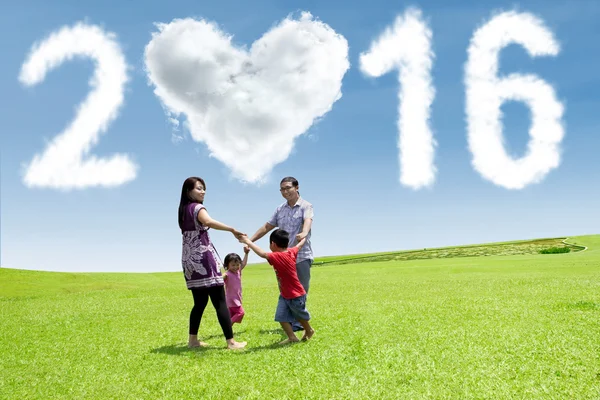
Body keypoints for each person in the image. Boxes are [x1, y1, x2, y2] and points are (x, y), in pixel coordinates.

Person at [178, 176, 247, 350]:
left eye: (204, 188)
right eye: (199, 188)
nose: (203, 191)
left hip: (189, 260)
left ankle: (192, 340)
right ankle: (231, 342)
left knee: (200, 302)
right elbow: (208, 222)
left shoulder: (183, 210)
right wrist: (232, 229)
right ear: (188, 191)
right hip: (204, 259)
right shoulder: (197, 208)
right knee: (220, 301)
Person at [247, 177, 314, 331]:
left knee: (300, 290)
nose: (285, 192)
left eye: (288, 188)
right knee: (286, 290)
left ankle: (299, 323)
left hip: (301, 255)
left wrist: (303, 232)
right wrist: (250, 240)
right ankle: (291, 322)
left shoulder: (306, 206)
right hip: (282, 259)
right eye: (282, 189)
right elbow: (267, 226)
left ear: (297, 187)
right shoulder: (280, 209)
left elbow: (308, 221)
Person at [240, 229, 315, 344]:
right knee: (281, 316)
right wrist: (303, 238)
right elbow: (299, 246)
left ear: (273, 244)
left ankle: (309, 330)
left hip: (295, 295)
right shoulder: (291, 251)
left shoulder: (277, 256)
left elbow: (262, 254)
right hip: (285, 294)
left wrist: (248, 241)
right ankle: (292, 337)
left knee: (300, 316)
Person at [223, 247, 249, 324]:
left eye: (237, 265)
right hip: (232, 299)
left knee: (232, 316)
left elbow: (243, 263)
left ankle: (228, 330)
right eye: (233, 265)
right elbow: (223, 276)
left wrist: (246, 253)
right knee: (240, 313)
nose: (236, 267)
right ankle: (227, 326)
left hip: (237, 297)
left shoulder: (238, 272)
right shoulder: (227, 274)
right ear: (227, 265)